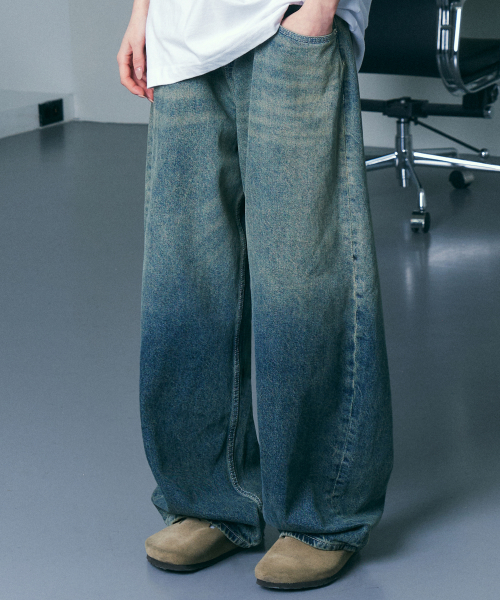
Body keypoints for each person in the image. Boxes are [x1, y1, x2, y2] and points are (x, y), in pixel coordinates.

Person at [117, 0, 393, 591]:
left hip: (287, 21)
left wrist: (318, 11)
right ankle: (208, 501)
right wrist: (142, 14)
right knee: (184, 283)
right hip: (180, 36)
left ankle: (322, 517)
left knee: (304, 278)